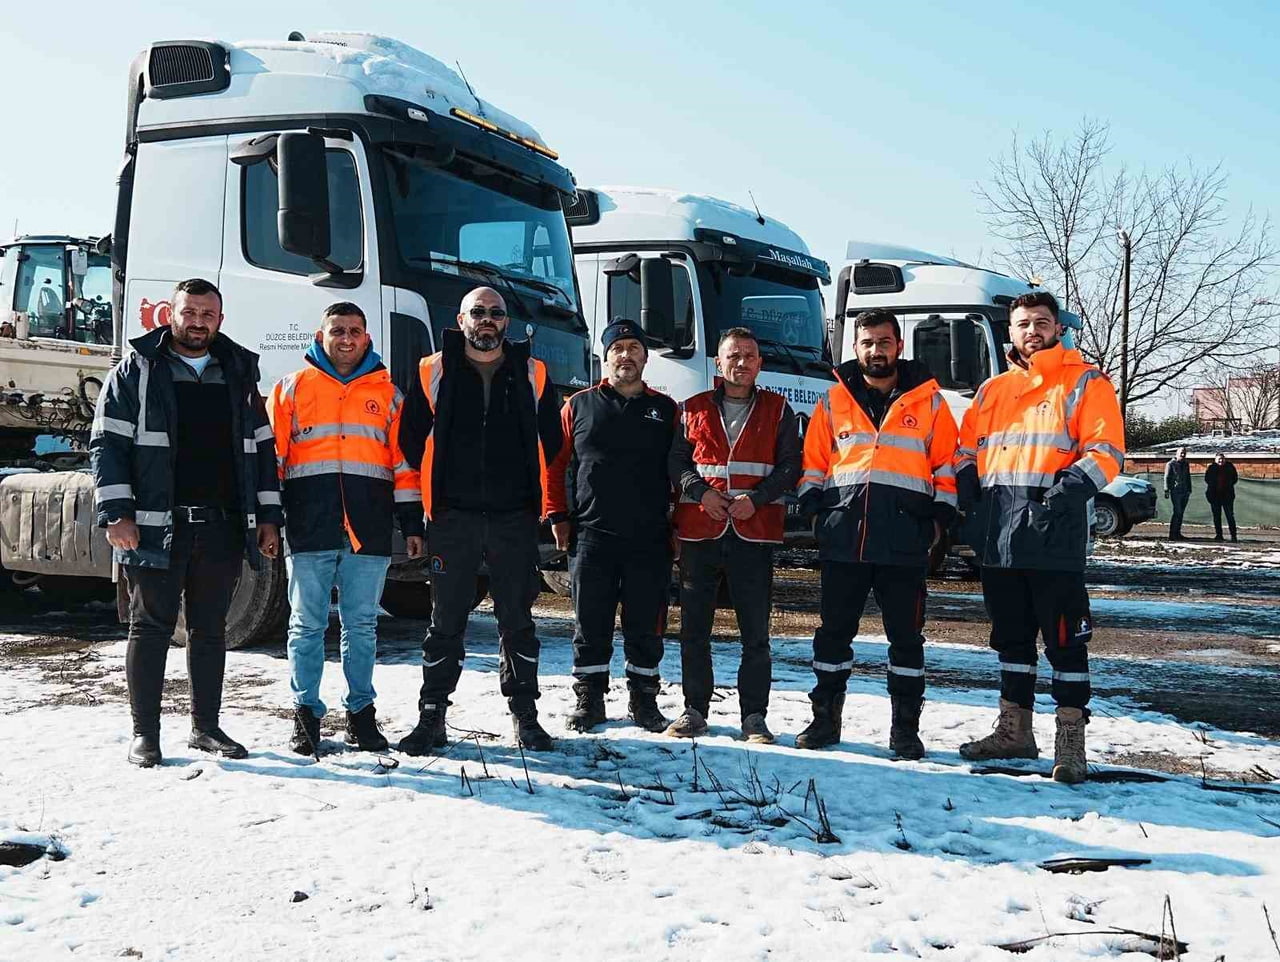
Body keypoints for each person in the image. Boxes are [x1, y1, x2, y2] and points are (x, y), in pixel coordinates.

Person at [91, 278, 282, 768]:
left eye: (207, 314)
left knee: (210, 631)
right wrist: (116, 513)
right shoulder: (136, 370)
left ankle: (205, 728)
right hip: (155, 526)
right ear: (169, 315)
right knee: (150, 628)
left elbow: (261, 451)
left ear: (221, 319)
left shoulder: (238, 372)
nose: (198, 322)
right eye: (189, 313)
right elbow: (107, 446)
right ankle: (145, 736)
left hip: (220, 526)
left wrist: (267, 519)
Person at [955, 291, 1125, 783]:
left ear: (1057, 328)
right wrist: (968, 483)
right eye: (1023, 323)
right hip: (999, 536)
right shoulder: (990, 391)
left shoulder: (1085, 382)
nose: (1032, 331)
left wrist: (1061, 495)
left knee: (1066, 642)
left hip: (1054, 537)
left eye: (1042, 322)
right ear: (1010, 331)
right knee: (1010, 640)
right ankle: (1015, 731)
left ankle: (1070, 741)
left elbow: (1107, 451)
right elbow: (966, 449)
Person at [396, 287, 563, 753]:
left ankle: (526, 717)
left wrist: (536, 502)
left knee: (518, 621)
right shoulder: (432, 369)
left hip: (514, 519)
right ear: (461, 318)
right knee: (445, 622)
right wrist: (420, 513)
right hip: (453, 518)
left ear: (506, 323)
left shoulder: (534, 372)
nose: (487, 320)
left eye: (495, 314)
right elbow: (408, 443)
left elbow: (553, 442)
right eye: (478, 312)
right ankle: (432, 718)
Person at [792, 311, 958, 758]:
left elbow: (947, 467)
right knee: (832, 636)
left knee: (906, 640)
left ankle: (905, 730)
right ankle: (825, 719)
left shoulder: (931, 402)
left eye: (884, 342)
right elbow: (813, 467)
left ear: (899, 346)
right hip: (843, 538)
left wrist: (938, 521)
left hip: (904, 541)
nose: (875, 350)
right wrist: (816, 514)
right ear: (856, 348)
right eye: (867, 343)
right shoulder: (832, 401)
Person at [269, 302, 425, 756]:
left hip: (368, 527)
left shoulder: (390, 396)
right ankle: (306, 716)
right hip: (309, 525)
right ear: (321, 336)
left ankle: (361, 716)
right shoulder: (291, 389)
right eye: (337, 330)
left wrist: (411, 523)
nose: (346, 338)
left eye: (354, 330)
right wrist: (270, 519)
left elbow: (404, 467)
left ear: (367, 337)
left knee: (362, 626)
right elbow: (273, 461)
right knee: (305, 626)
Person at [666, 327, 802, 743]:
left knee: (755, 632)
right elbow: (676, 462)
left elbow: (790, 468)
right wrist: (700, 493)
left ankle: (754, 717)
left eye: (750, 355)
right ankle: (694, 710)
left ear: (760, 363)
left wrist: (757, 500)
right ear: (718, 364)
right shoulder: (691, 409)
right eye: (733, 356)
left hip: (754, 533)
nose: (741, 362)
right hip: (699, 531)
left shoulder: (780, 411)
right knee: (694, 629)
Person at [546, 318, 679, 734]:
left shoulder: (667, 409)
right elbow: (556, 465)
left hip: (649, 536)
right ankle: (590, 698)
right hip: (591, 535)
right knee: (591, 621)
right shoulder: (578, 405)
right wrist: (557, 515)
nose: (626, 355)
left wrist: (676, 525)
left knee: (645, 623)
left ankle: (644, 699)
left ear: (645, 356)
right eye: (618, 348)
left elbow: (677, 471)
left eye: (633, 348)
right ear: (606, 358)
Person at [1204, 452, 1239, 542]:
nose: (1221, 460)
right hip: (1215, 496)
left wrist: (1228, 485)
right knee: (1216, 516)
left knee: (1230, 516)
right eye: (1219, 459)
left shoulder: (1230, 467)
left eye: (1222, 459)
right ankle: (1219, 535)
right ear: (1215, 460)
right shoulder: (1211, 468)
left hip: (1227, 496)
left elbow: (1235, 478)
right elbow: (1207, 479)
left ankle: (1233, 536)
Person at [1163, 447, 1191, 540]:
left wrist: (1189, 489)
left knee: (1181, 513)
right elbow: (1166, 477)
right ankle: (1172, 534)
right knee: (1177, 512)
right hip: (1175, 491)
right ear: (1176, 453)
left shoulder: (1186, 464)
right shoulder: (1170, 464)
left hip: (1185, 491)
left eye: (1184, 453)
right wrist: (1166, 490)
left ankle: (1178, 533)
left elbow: (1188, 477)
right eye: (1181, 453)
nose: (1183, 454)